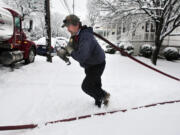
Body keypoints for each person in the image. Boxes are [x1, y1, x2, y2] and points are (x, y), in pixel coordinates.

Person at [59, 14, 110, 108]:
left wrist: (70, 51)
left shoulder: (85, 37)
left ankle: (104, 96)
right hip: (89, 64)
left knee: (86, 86)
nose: (68, 29)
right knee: (95, 84)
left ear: (76, 24)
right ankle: (99, 102)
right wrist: (64, 51)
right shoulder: (74, 36)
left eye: (68, 26)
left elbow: (81, 57)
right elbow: (70, 46)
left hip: (97, 63)